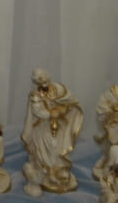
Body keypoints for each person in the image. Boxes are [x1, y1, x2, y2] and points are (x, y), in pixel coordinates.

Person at [20, 67, 84, 195]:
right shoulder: (35, 96)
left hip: (57, 125)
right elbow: (39, 112)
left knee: (59, 144)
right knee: (48, 146)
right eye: (40, 80)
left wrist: (63, 110)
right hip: (42, 127)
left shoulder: (57, 88)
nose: (43, 81)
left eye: (44, 78)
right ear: (36, 82)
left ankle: (57, 169)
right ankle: (47, 171)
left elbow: (69, 100)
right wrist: (51, 114)